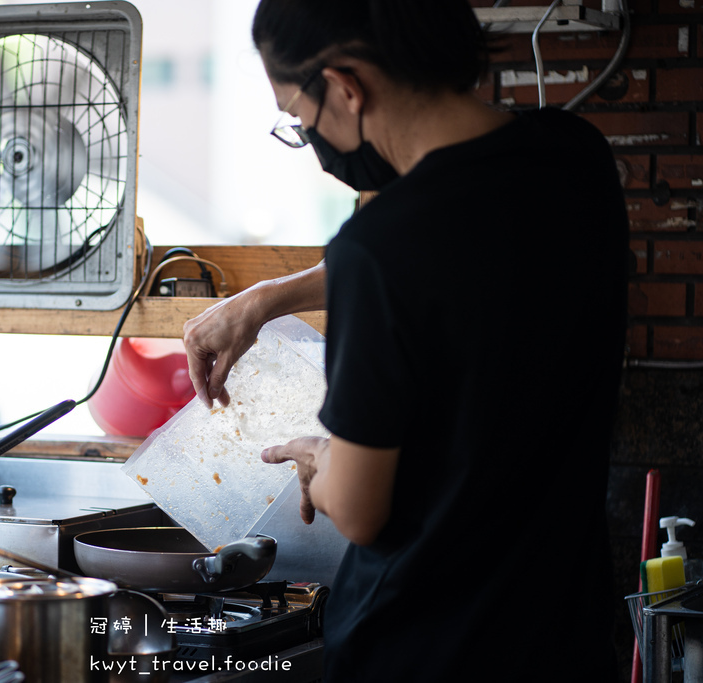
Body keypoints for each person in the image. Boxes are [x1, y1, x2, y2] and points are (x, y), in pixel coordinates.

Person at [182, 1, 629, 680]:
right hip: (567, 632)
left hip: (426, 647)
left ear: (347, 86)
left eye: (299, 118)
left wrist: (321, 459)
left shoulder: (378, 250)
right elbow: (457, 253)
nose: (310, 134)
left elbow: (360, 510)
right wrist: (267, 298)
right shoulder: (575, 157)